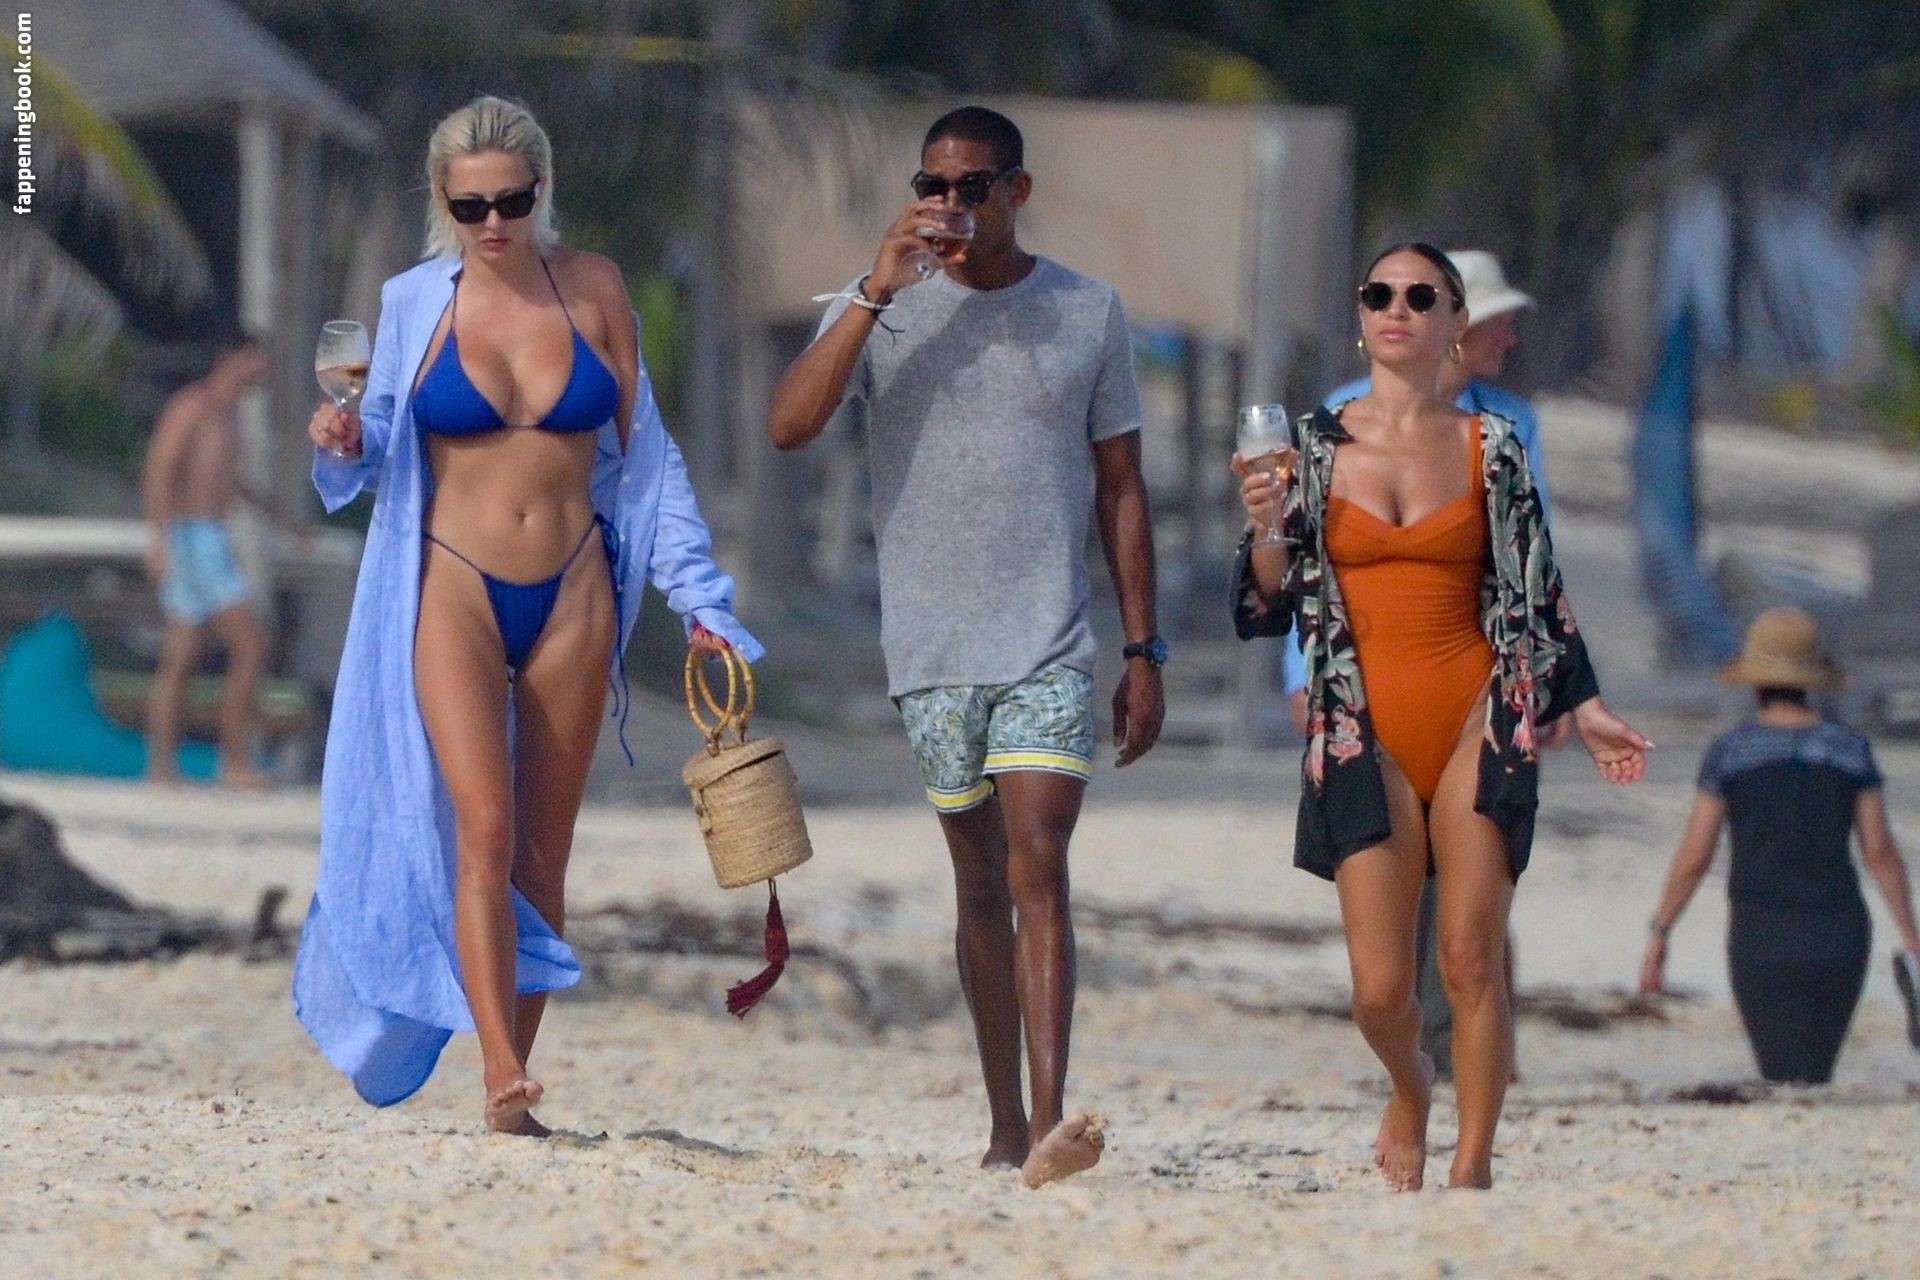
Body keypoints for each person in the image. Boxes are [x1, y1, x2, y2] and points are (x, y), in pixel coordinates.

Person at [294, 96, 759, 1135]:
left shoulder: (593, 287)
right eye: (472, 207)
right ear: (443, 202)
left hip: (574, 589)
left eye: (512, 200)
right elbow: (379, 443)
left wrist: (699, 598)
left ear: (541, 191)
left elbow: (648, 457)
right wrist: (344, 442)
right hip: (453, 583)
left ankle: (515, 1094)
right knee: (484, 827)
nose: (494, 223)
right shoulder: (414, 300)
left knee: (544, 850)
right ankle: (500, 1066)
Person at [767, 105, 1163, 1188]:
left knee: (1041, 863)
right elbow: (789, 425)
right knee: (981, 881)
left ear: (1016, 193)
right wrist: (873, 290)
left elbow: (1122, 488)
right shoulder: (881, 309)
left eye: (973, 187)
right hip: (931, 644)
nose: (950, 206)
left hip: (1048, 639)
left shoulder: (1085, 310)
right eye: (933, 186)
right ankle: (1003, 1121)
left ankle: (1051, 1124)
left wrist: (1144, 650)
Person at [1231, 243, 1652, 1190]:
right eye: (1379, 293)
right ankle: (1410, 1084)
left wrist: (1585, 706)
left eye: (1421, 297)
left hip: (1478, 719)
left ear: (1455, 323)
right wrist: (1263, 522)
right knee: (1381, 993)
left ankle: (1472, 1169)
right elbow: (1271, 598)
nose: (1398, 308)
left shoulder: (1495, 446)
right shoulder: (1311, 445)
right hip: (1359, 730)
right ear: (1360, 316)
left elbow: (1538, 588)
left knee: (1469, 959)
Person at [1295, 250, 1557, 1076]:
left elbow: (1534, 557)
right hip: (1367, 688)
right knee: (1389, 887)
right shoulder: (1337, 418)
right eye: (1499, 321)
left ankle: (1475, 1061)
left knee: (1475, 900)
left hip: (1479, 684)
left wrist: (1548, 684)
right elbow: (1309, 564)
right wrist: (1303, 680)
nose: (1509, 336)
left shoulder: (1509, 425)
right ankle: (1410, 1064)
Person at [1639, 607, 1920, 1083]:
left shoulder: (1730, 754)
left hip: (1760, 934)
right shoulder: (1849, 750)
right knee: (1816, 1074)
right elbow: (1880, 853)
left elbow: (1694, 857)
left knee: (1782, 1074)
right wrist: (1912, 939)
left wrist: (1660, 932)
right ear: (1813, 680)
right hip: (1839, 934)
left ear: (1755, 682)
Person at [139, 338, 276, 789]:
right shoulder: (192, 406)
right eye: (255, 359)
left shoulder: (229, 414)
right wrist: (161, 540)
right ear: (232, 358)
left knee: (184, 654)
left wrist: (287, 523)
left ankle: (163, 767)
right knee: (250, 646)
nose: (261, 369)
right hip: (190, 538)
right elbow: (161, 466)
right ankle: (232, 761)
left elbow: (228, 480)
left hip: (210, 535)